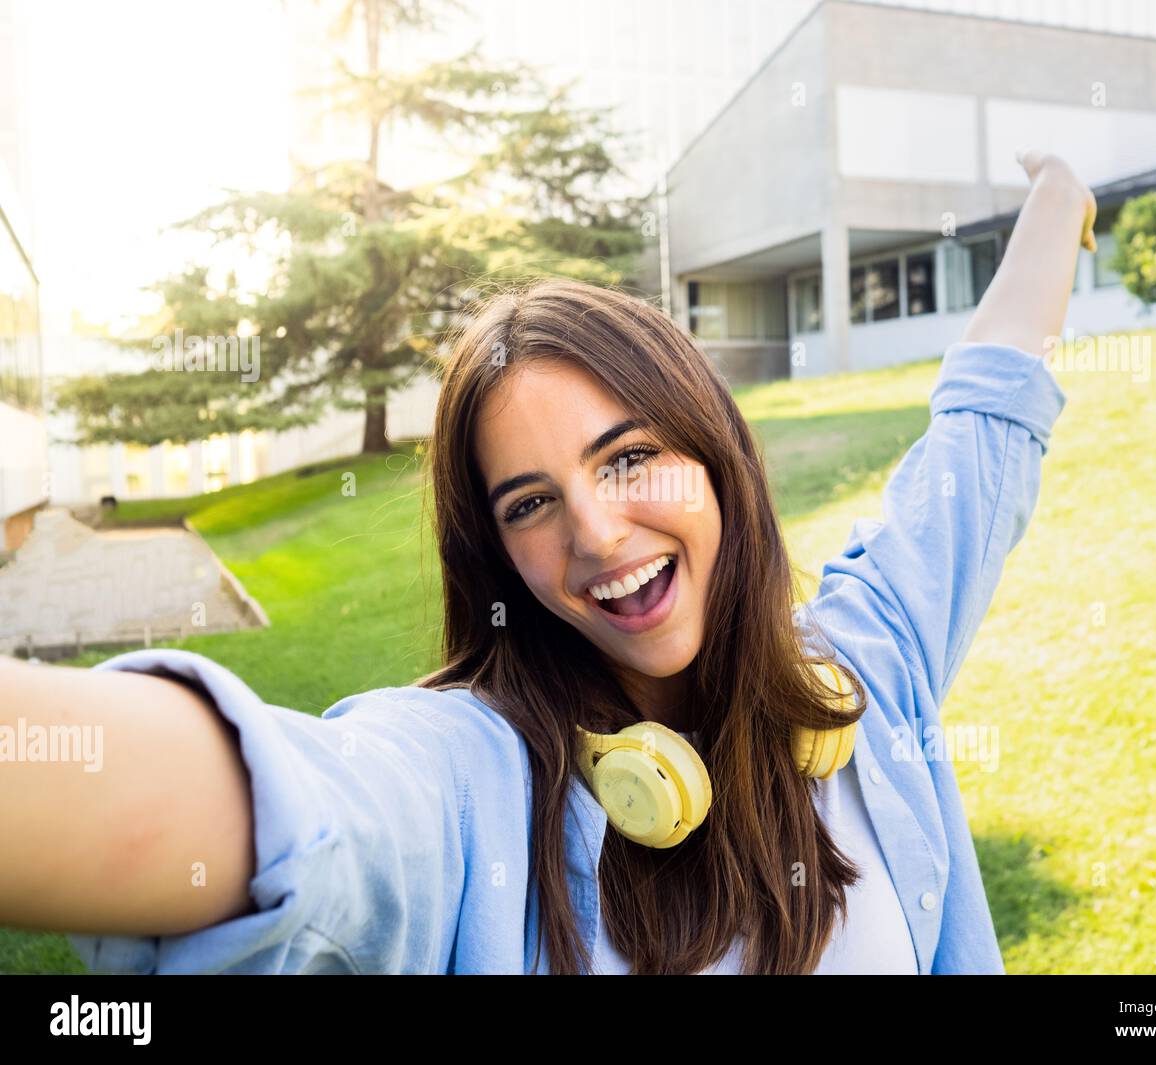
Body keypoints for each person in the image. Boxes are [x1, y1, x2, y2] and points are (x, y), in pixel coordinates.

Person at [0, 149, 1096, 975]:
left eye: (628, 460)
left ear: (714, 455)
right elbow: (298, 810)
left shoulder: (868, 669)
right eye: (532, 502)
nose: (598, 538)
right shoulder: (473, 784)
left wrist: (1055, 198)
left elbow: (986, 428)